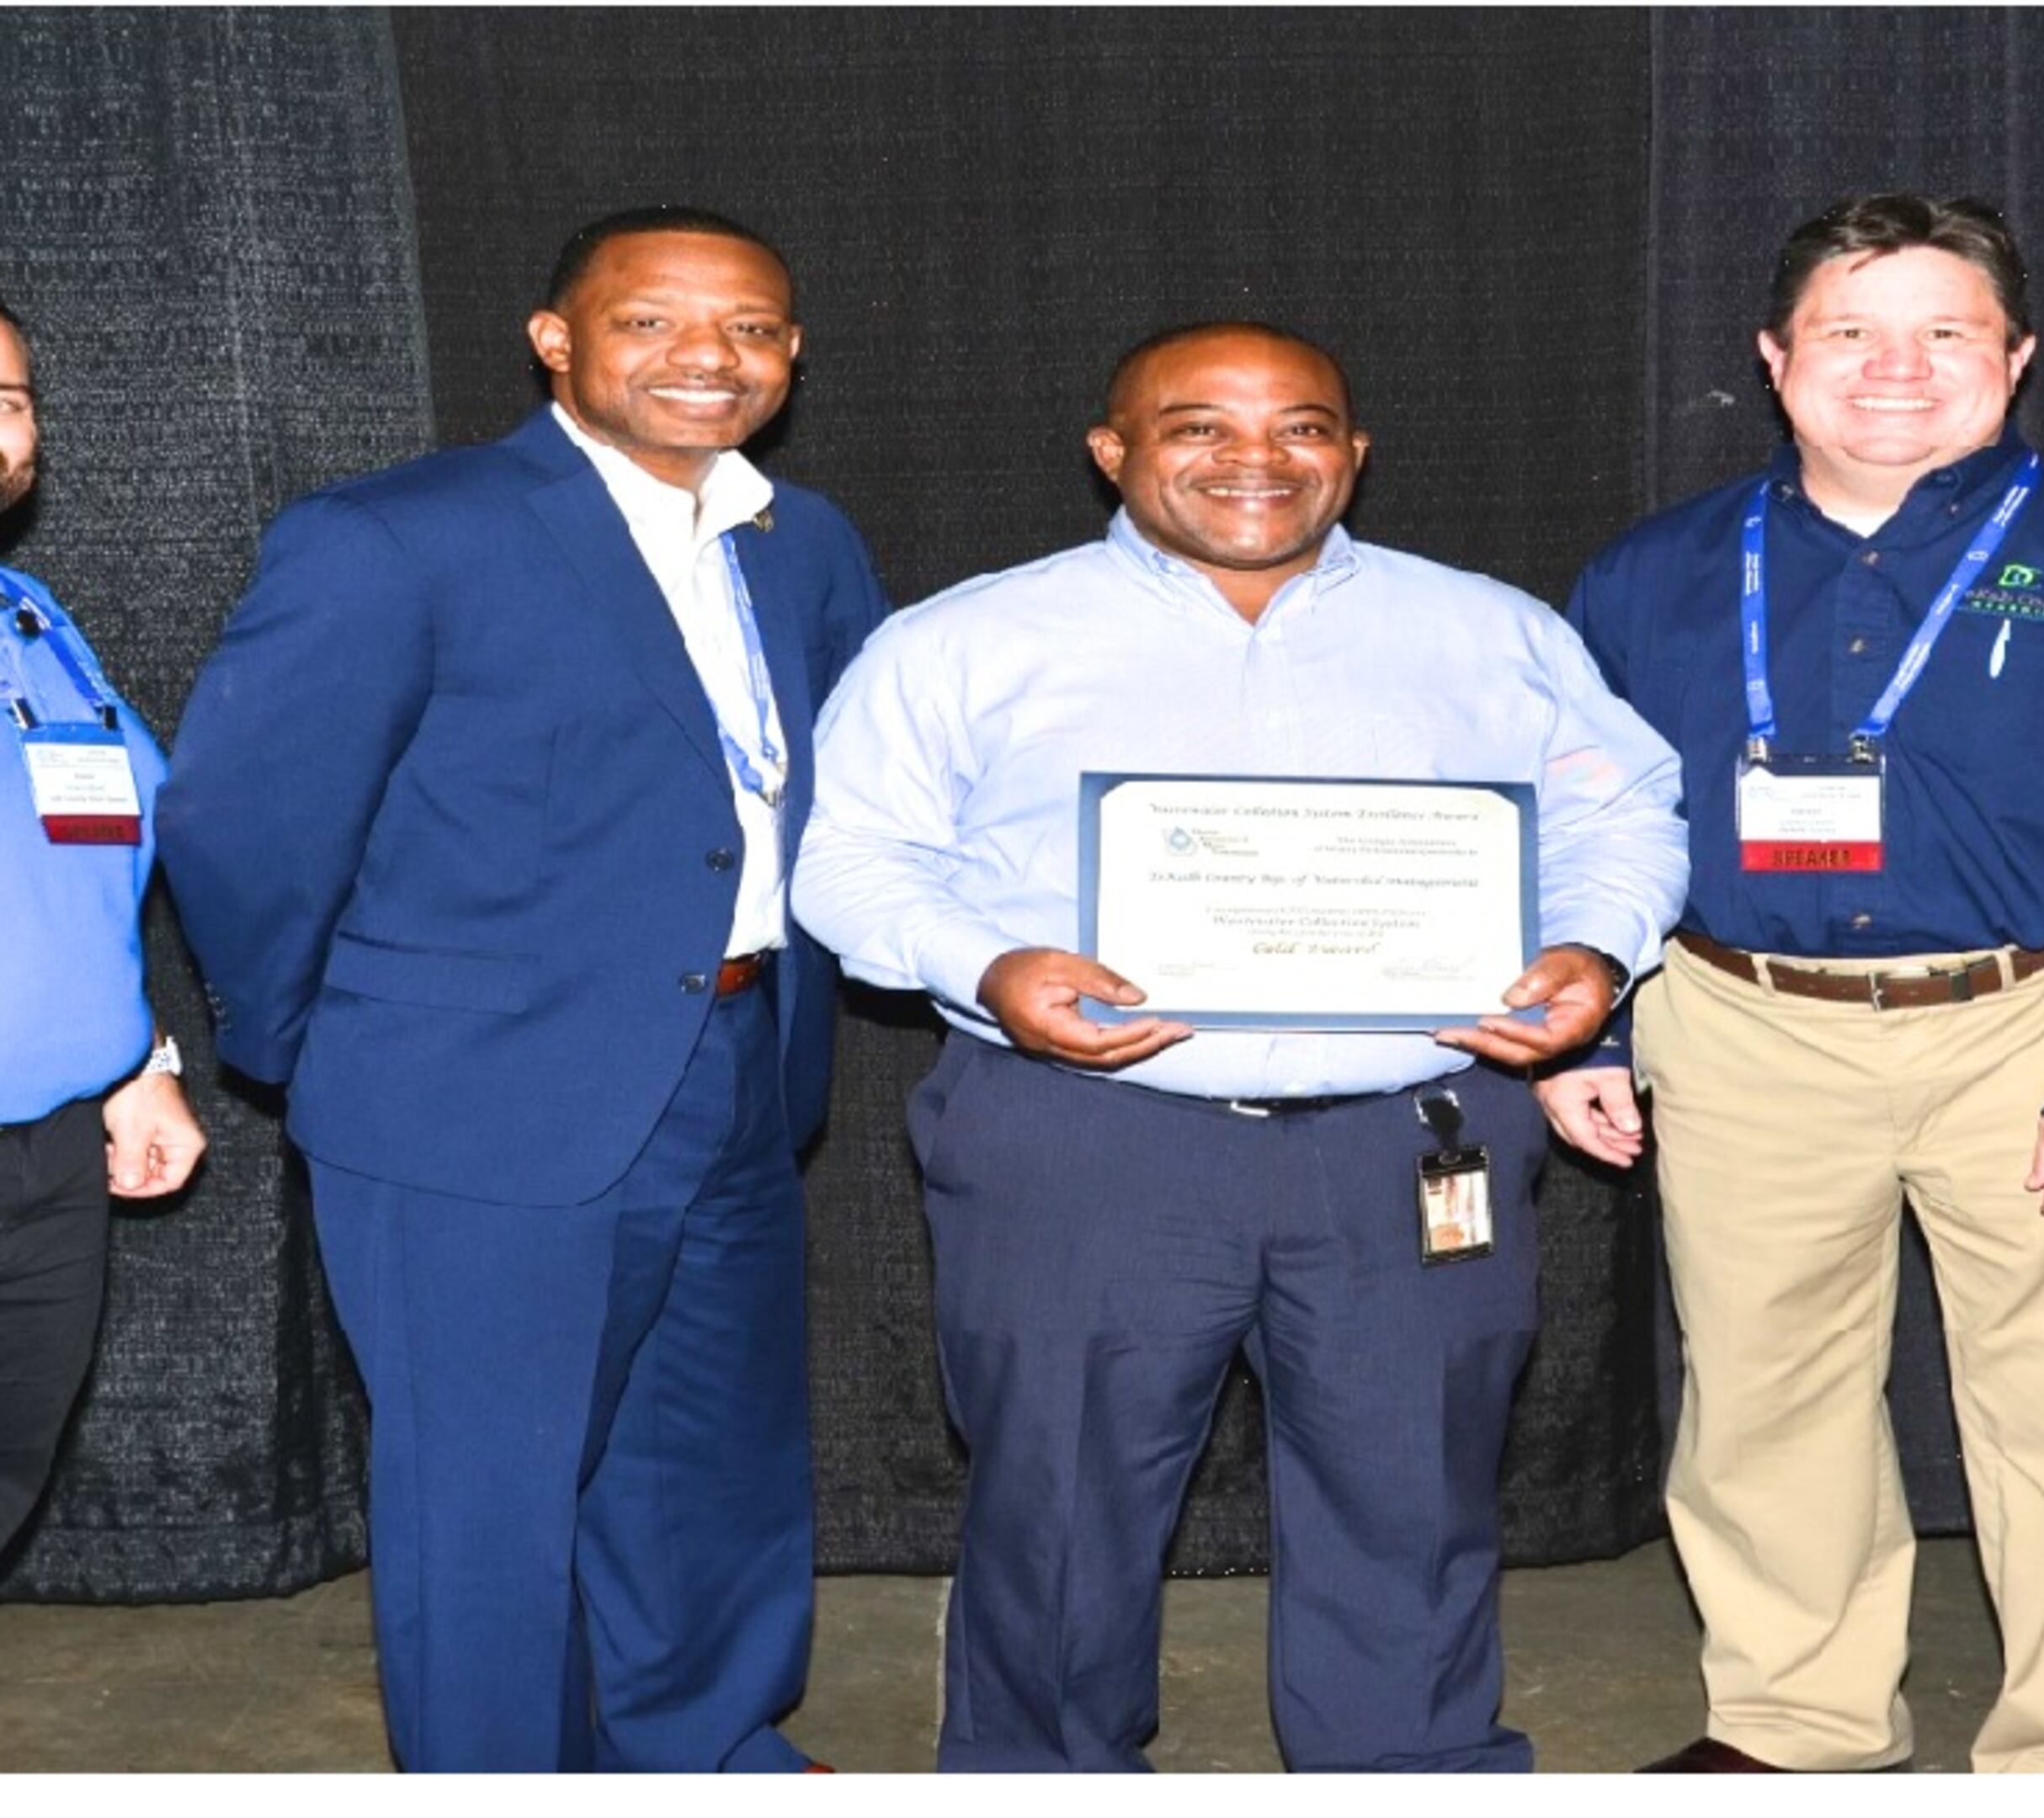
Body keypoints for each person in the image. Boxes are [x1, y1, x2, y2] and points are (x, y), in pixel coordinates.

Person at [790, 321, 1686, 1773]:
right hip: (1086, 1136)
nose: (1255, 460)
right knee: (1061, 1509)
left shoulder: (1490, 631)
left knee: (1415, 1499)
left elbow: (1623, 813)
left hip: (1412, 1137)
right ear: (1114, 451)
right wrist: (987, 965)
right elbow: (852, 864)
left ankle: (1410, 1776)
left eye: (1303, 426)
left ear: (1354, 452)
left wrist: (1595, 945)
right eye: (1197, 426)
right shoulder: (964, 640)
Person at [1541, 194, 2044, 1774]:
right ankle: (1796, 1723)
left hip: (2035, 1025)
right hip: (1739, 1021)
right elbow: (1581, 829)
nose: (1898, 367)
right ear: (1774, 359)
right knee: (1760, 1399)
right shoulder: (1651, 575)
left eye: (1947, 331)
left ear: (2014, 358)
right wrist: (1588, 1023)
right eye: (1850, 332)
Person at [156, 208, 890, 1771]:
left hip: (742, 1056)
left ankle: (703, 1748)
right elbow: (242, 817)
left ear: (793, 353)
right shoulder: (397, 534)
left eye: (751, 328)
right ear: (556, 339)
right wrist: (319, 1045)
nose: (709, 356)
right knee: (490, 1496)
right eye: (653, 322)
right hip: (467, 1099)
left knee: (710, 1459)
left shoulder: (803, 540)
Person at [1, 296, 208, 1560]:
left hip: (50, 1160)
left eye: (10, 400)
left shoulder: (34, 622)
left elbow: (84, 861)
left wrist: (137, 1065)